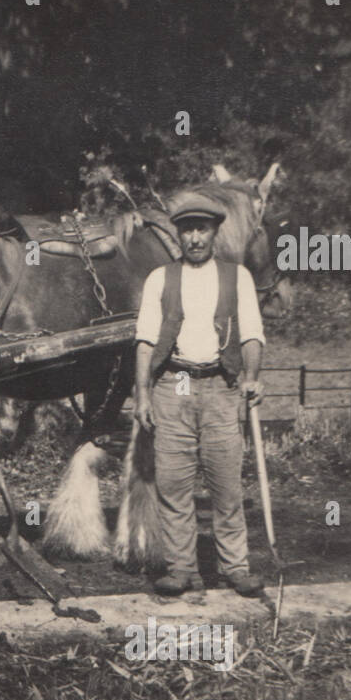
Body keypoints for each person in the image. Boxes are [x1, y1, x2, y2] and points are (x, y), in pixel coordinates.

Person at [132, 190, 267, 598]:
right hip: (174, 385)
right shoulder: (161, 278)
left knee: (226, 484)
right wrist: (141, 395)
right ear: (178, 234)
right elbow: (144, 341)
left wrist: (253, 377)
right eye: (187, 230)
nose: (194, 238)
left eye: (202, 229)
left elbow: (252, 334)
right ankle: (181, 569)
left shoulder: (236, 276)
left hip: (221, 386)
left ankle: (235, 568)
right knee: (173, 484)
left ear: (214, 232)